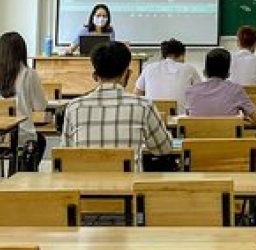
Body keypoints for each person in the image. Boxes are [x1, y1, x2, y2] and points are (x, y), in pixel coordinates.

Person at [61, 41, 175, 169]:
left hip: (85, 187)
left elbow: (65, 153)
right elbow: (164, 148)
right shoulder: (144, 106)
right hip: (128, 187)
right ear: (128, 73)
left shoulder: (74, 107)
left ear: (94, 76)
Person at [0, 32, 48, 170]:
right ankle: (22, 173)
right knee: (40, 140)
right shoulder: (29, 74)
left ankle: (16, 171)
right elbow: (40, 106)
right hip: (21, 135)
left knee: (37, 140)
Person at [184, 48, 256, 128]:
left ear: (205, 72)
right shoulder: (236, 91)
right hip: (230, 145)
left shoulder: (191, 92)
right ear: (228, 73)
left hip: (197, 145)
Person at [134, 37, 200, 113]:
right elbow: (200, 93)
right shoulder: (189, 69)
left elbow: (137, 94)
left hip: (152, 117)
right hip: (179, 120)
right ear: (182, 55)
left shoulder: (149, 68)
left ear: (163, 55)